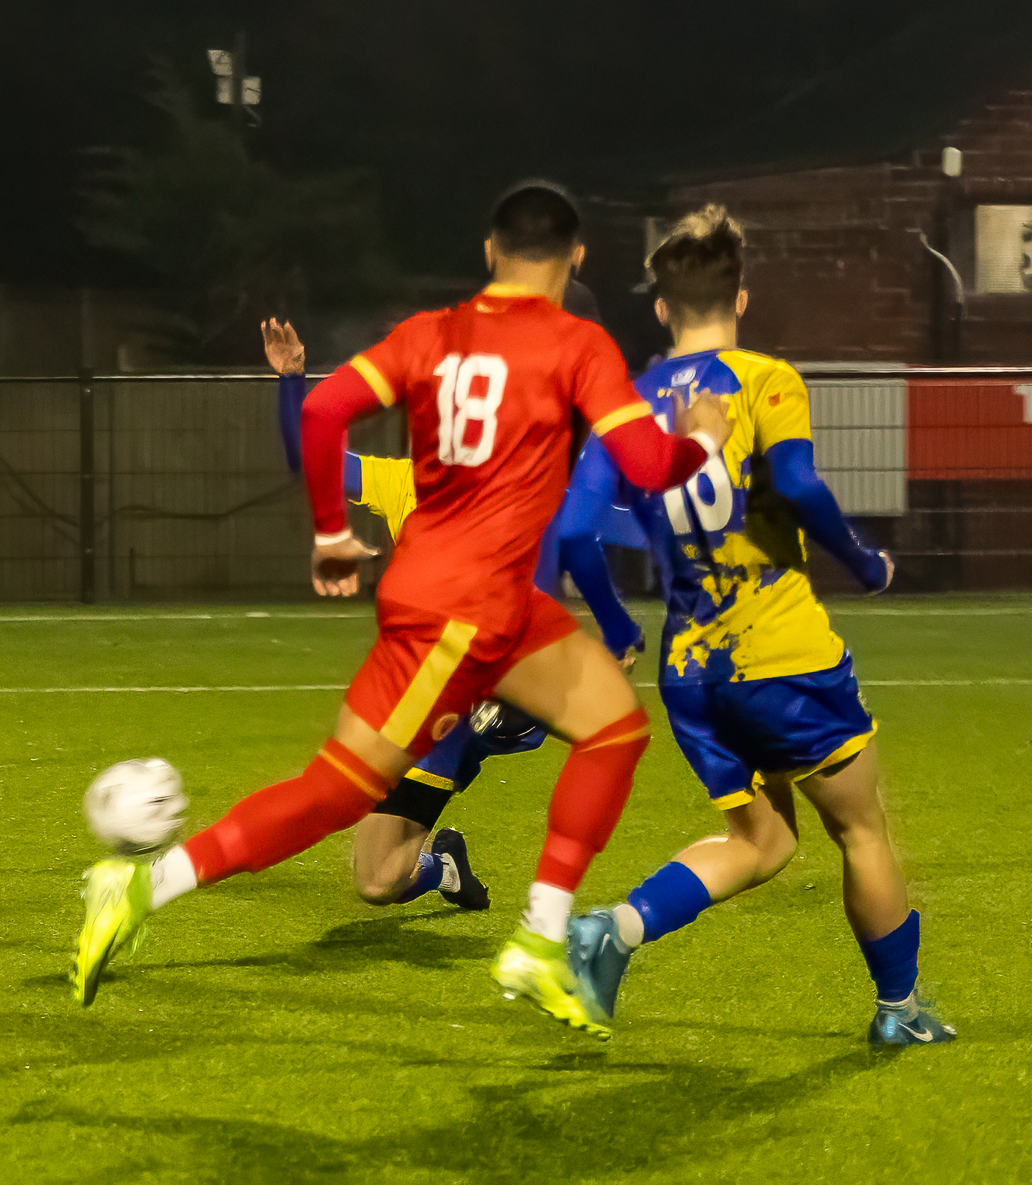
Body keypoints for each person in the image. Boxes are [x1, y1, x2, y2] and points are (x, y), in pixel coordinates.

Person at [73, 182, 729, 1034]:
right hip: (459, 612)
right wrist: (704, 435)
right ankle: (142, 885)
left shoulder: (431, 334)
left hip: (487, 603)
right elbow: (648, 465)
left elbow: (324, 410)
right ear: (575, 259)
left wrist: (328, 532)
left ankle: (540, 938)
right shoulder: (577, 344)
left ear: (489, 253)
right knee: (336, 795)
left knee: (614, 726)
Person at [556, 206, 956, 1047]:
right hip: (781, 653)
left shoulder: (626, 406)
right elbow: (800, 485)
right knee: (860, 828)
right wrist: (866, 563)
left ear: (660, 309)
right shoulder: (766, 379)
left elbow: (574, 531)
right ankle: (900, 1010)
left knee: (763, 838)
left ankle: (612, 930)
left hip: (691, 670)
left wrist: (615, 621)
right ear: (741, 298)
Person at [260, 316, 643, 913]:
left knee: (377, 864)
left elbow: (636, 531)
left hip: (470, 707)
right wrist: (292, 380)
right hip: (415, 693)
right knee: (377, 882)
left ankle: (496, 740)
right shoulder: (401, 483)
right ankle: (443, 867)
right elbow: (305, 460)